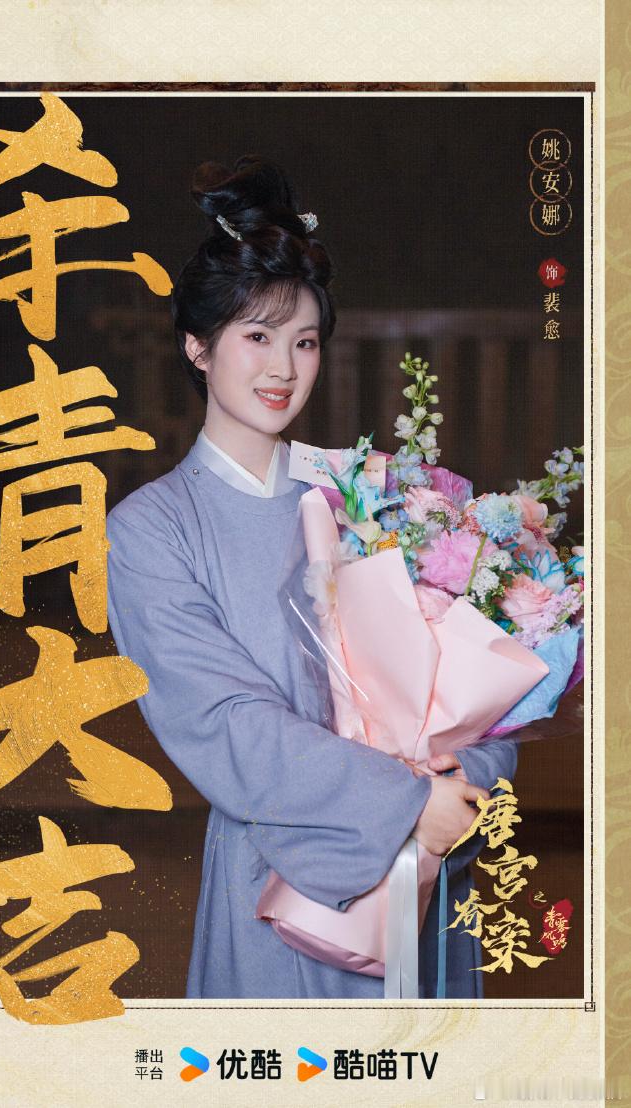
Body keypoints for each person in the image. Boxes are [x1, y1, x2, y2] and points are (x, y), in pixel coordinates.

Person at [106, 154, 518, 999]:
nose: (283, 369)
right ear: (197, 346)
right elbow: (227, 728)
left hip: (429, 870)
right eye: (256, 337)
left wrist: (465, 788)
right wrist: (407, 805)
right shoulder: (150, 530)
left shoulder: (373, 492)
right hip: (277, 886)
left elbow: (492, 675)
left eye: (303, 342)